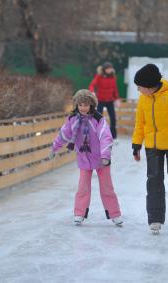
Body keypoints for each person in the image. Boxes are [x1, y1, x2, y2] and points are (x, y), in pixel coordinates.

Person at [131, 64, 168, 235]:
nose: (138, 89)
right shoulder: (143, 99)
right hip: (152, 146)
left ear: (150, 86)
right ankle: (155, 218)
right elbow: (140, 124)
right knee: (154, 182)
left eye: (140, 86)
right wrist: (136, 144)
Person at [52, 89, 123, 226]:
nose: (83, 108)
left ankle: (115, 214)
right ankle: (79, 213)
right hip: (84, 158)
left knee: (107, 187)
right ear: (76, 105)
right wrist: (54, 147)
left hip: (101, 159)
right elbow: (64, 134)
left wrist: (105, 155)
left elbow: (105, 137)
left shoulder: (98, 119)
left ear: (91, 105)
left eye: (86, 105)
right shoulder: (72, 119)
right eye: (80, 105)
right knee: (83, 187)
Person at [89, 62, 120, 141]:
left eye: (110, 68)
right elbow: (92, 85)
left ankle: (114, 137)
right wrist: (92, 92)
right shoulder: (99, 77)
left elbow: (115, 89)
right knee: (98, 118)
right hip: (100, 100)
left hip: (110, 100)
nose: (109, 70)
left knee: (113, 118)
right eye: (107, 69)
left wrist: (116, 99)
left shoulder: (113, 77)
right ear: (104, 69)